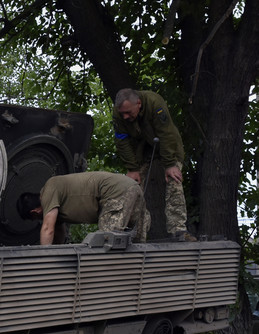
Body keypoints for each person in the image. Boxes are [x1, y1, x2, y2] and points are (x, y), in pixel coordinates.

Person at [113, 88, 194, 241]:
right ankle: (133, 233)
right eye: (122, 113)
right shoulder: (119, 113)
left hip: (168, 146)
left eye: (128, 112)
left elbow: (166, 134)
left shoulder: (154, 103)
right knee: (132, 186)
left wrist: (170, 164)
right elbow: (122, 141)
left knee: (174, 180)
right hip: (143, 149)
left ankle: (178, 230)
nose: (125, 116)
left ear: (138, 103)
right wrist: (132, 168)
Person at [18, 171, 150, 245]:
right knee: (137, 243)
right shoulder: (55, 206)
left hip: (116, 192)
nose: (39, 221)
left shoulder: (49, 190)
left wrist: (44, 262)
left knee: (106, 244)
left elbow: (48, 229)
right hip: (132, 188)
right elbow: (58, 234)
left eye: (35, 219)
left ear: (35, 211)